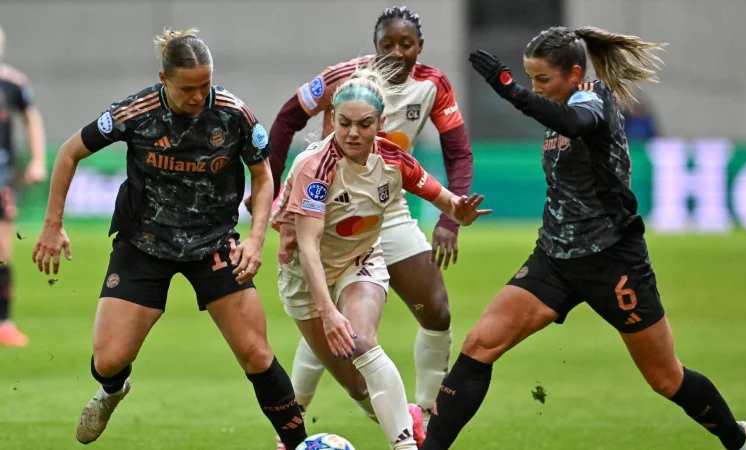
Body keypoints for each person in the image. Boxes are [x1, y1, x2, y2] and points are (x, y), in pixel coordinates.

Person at [421, 26, 746, 450]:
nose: (535, 88)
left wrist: (509, 90)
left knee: (665, 378)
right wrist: (525, 93)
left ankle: (738, 439)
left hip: (613, 262)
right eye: (530, 79)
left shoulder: (590, 99)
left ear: (574, 73)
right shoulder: (557, 102)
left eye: (543, 79)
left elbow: (575, 123)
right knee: (480, 344)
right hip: (555, 259)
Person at [30, 29, 307, 448]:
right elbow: (70, 152)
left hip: (213, 243)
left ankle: (298, 443)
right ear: (165, 80)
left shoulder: (234, 113)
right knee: (108, 361)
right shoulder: (135, 111)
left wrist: (253, 239)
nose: (199, 97)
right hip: (144, 241)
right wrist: (53, 224)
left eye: (206, 85)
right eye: (188, 88)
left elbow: (263, 173)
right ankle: (112, 391)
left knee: (255, 352)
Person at [247, 5, 474, 429]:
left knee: (437, 310)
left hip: (388, 206)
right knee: (327, 315)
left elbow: (457, 151)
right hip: (330, 210)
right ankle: (296, 422)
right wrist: (272, 187)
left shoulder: (434, 86)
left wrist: (450, 218)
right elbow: (286, 118)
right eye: (387, 44)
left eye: (405, 44)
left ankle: (424, 414)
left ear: (419, 47)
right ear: (375, 46)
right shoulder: (342, 79)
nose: (396, 52)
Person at [270, 65, 489, 449]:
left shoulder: (393, 159)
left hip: (360, 260)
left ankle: (404, 445)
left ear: (380, 122)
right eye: (344, 123)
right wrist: (328, 311)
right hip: (306, 276)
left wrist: (458, 211)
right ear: (333, 119)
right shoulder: (315, 167)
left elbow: (441, 196)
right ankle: (403, 418)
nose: (353, 133)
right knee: (356, 385)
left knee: (362, 341)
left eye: (365, 124)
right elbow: (307, 246)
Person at [0, 25, 47, 347]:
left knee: (1, 254)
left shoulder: (12, 83)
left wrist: (38, 161)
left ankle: (4, 322)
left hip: (1, 176)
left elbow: (32, 119)